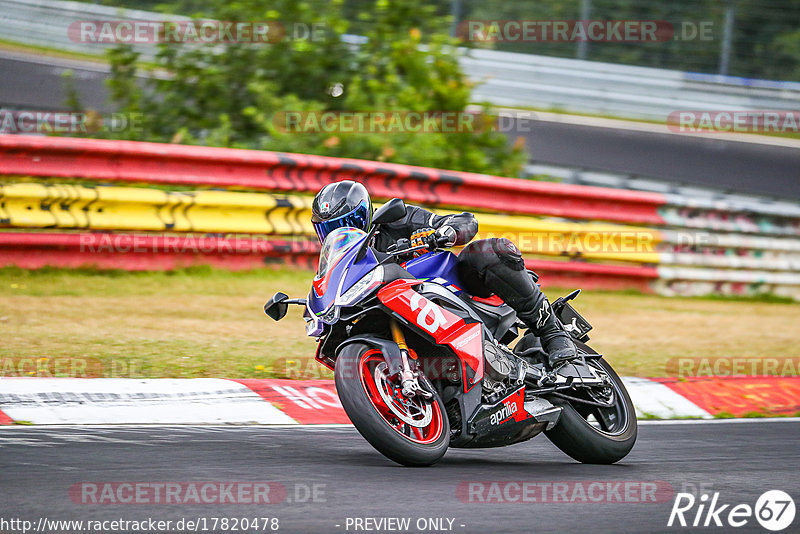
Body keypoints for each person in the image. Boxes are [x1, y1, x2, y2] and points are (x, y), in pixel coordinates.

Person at [310, 180, 577, 369]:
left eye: (347, 224)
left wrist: (443, 232)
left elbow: (463, 221)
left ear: (363, 215)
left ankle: (554, 334)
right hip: (399, 312)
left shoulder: (395, 220)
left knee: (485, 252)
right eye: (330, 228)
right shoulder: (344, 264)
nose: (340, 233)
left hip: (449, 288)